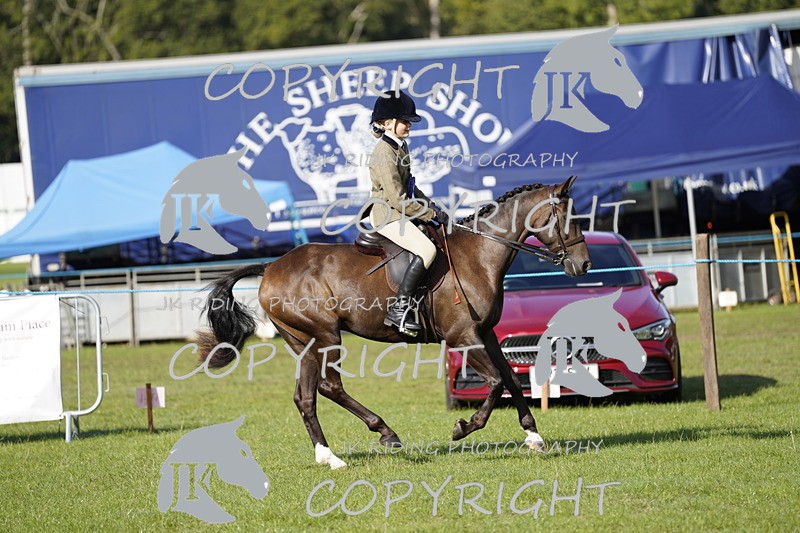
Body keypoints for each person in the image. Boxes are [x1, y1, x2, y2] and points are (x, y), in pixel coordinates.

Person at [367, 90, 445, 334]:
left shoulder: (400, 147)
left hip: (399, 210)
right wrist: (428, 215)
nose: (410, 125)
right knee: (427, 249)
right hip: (387, 214)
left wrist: (432, 206)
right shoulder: (383, 153)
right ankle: (399, 309)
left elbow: (411, 186)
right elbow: (398, 200)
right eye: (405, 121)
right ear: (388, 123)